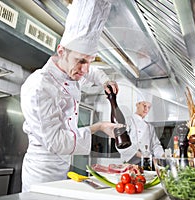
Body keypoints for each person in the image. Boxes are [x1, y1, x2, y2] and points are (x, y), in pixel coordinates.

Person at [20, 0, 118, 192]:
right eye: (81, 61)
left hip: (63, 166)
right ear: (61, 51)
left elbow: (92, 73)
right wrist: (98, 127)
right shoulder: (40, 86)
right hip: (41, 171)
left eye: (90, 61)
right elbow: (56, 141)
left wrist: (105, 81)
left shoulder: (69, 71)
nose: (85, 69)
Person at [116, 94, 164, 165]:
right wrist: (141, 155)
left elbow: (155, 145)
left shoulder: (150, 126)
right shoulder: (128, 121)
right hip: (130, 163)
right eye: (144, 106)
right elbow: (121, 144)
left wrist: (163, 156)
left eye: (149, 107)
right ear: (137, 104)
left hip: (147, 164)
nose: (146, 109)